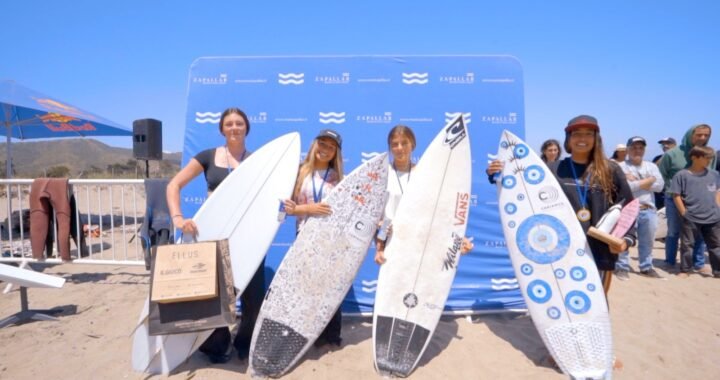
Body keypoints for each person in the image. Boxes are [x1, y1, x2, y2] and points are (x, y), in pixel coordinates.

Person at [487, 115, 636, 294]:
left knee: (595, 310)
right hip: (558, 255)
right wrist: (497, 173)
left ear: (596, 138)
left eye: (589, 134)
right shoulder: (552, 169)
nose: (582, 139)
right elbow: (522, 191)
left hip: (598, 253)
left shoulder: (610, 170)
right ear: (568, 139)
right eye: (576, 134)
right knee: (561, 307)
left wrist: (626, 240)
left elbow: (628, 207)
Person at [166, 107, 264, 363]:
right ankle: (217, 346)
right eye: (229, 124)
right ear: (222, 128)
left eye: (239, 123)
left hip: (249, 238)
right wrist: (178, 218)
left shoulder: (257, 160)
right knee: (215, 295)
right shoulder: (208, 156)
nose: (234, 128)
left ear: (247, 128)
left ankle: (245, 342)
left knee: (253, 297)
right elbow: (173, 185)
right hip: (214, 235)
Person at [374, 125, 473, 265]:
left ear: (412, 145)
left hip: (421, 242)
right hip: (392, 243)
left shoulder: (424, 175)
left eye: (404, 143)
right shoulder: (382, 175)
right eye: (395, 144)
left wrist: (457, 240)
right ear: (390, 147)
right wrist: (379, 248)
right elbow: (380, 216)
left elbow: (437, 212)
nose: (400, 148)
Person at [283, 129, 344, 347]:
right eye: (323, 144)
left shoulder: (339, 177)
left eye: (331, 147)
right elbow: (283, 208)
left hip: (330, 240)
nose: (325, 150)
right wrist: (309, 208)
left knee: (329, 289)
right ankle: (306, 334)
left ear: (336, 152)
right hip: (304, 237)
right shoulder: (298, 172)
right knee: (305, 288)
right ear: (314, 144)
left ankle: (331, 336)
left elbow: (343, 211)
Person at [658, 124, 715, 272]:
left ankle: (699, 263)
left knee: (700, 233)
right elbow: (661, 175)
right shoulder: (672, 154)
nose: (703, 138)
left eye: (706, 135)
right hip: (674, 199)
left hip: (701, 200)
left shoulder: (709, 154)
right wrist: (672, 189)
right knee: (673, 232)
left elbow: (712, 176)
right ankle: (670, 261)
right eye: (699, 134)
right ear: (690, 134)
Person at [614, 136, 664, 280]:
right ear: (628, 149)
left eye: (640, 147)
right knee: (623, 238)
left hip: (648, 209)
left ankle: (646, 267)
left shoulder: (652, 166)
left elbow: (660, 186)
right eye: (634, 147)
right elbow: (624, 188)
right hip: (628, 209)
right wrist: (648, 181)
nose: (637, 150)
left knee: (647, 241)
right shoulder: (620, 167)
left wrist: (636, 181)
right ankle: (622, 267)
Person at [670, 146, 720, 278]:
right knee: (687, 245)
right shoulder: (682, 175)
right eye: (706, 157)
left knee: (715, 245)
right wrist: (684, 212)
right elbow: (676, 195)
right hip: (691, 216)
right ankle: (685, 270)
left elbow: (718, 191)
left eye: (711, 157)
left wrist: (718, 207)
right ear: (694, 157)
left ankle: (718, 271)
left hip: (713, 216)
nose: (709, 160)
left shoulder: (714, 174)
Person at [652, 137, 677, 210]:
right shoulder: (658, 158)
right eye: (663, 145)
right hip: (660, 193)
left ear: (675, 145)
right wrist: (664, 156)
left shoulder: (679, 158)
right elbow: (652, 170)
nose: (665, 146)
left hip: (675, 192)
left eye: (668, 143)